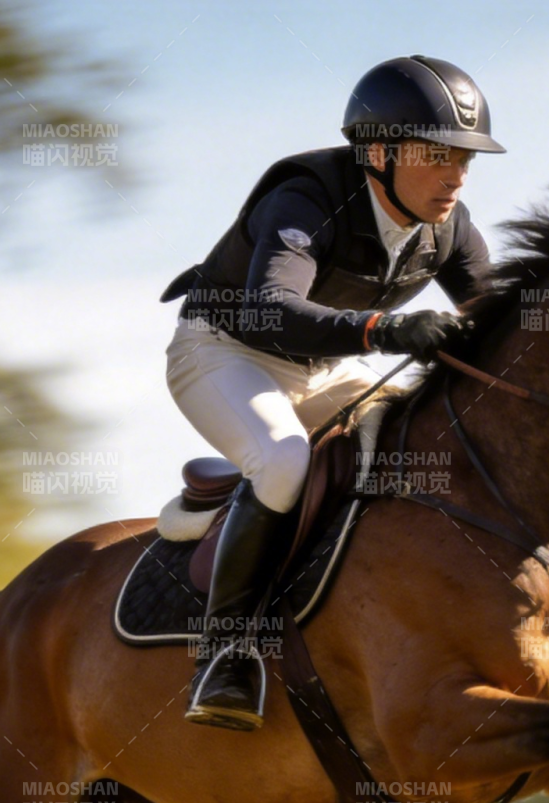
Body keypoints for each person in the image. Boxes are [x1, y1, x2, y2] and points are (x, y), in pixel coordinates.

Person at [160, 55, 505, 731]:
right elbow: (272, 311)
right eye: (437, 155)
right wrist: (390, 328)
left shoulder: (450, 227)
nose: (456, 175)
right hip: (227, 353)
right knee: (284, 458)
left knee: (422, 443)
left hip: (330, 367)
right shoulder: (307, 197)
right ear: (377, 152)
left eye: (464, 157)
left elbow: (502, 326)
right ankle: (225, 653)